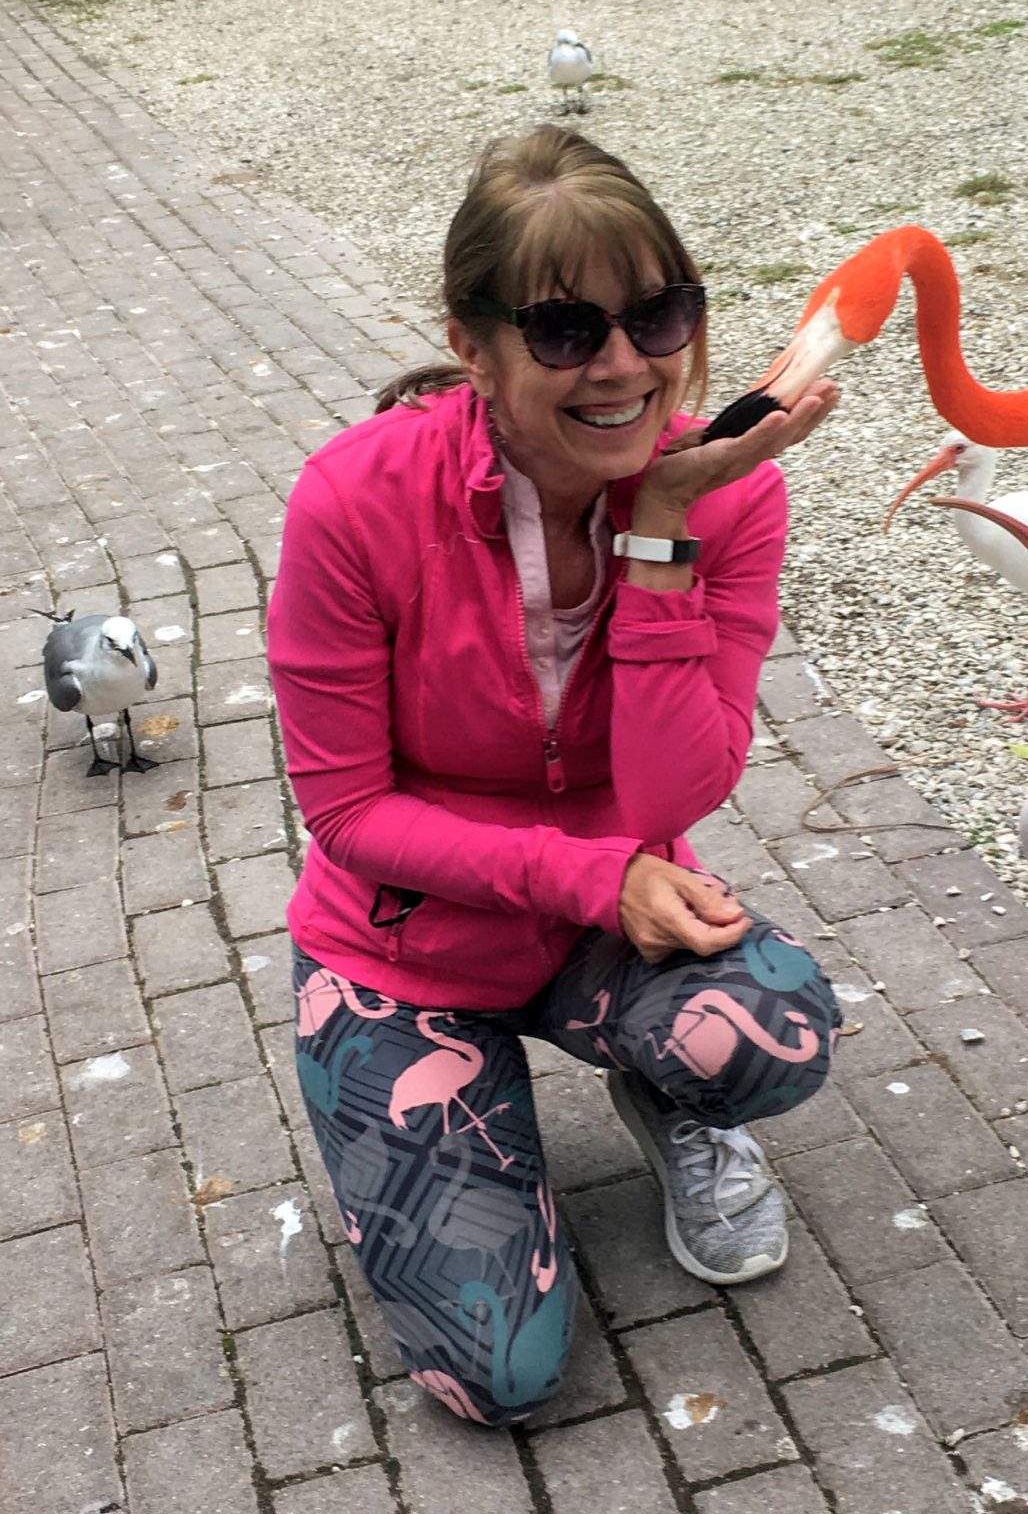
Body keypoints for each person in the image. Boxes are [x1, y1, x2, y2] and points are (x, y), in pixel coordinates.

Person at [267, 124, 843, 1428]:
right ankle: (421, 1118)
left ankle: (666, 1091)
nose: (627, 365)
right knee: (497, 1380)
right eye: (567, 331)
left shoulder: (724, 498)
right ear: (474, 348)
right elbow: (347, 812)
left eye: (658, 313)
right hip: (405, 950)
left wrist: (653, 542)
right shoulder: (353, 502)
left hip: (608, 913)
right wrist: (595, 876)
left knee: (778, 1029)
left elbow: (666, 801)